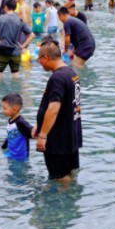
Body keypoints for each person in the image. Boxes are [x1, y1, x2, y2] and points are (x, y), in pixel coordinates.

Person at [31, 38, 82, 182]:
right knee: (70, 173)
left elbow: (54, 108)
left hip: (58, 139)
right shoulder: (72, 73)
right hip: (71, 135)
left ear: (46, 57)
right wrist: (40, 126)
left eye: (39, 59)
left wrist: (43, 135)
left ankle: (63, 201)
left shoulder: (57, 78)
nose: (39, 62)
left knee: (60, 177)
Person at [0, 0, 34, 80]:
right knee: (15, 74)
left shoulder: (0, 19)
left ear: (5, 7)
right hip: (16, 51)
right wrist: (22, 46)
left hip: (2, 50)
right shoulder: (19, 20)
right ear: (15, 7)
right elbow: (32, 35)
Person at [0, 92, 33, 162]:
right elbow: (9, 136)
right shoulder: (10, 120)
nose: (2, 110)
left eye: (4, 108)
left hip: (20, 157)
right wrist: (3, 146)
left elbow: (31, 132)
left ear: (14, 109)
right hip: (11, 153)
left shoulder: (20, 122)